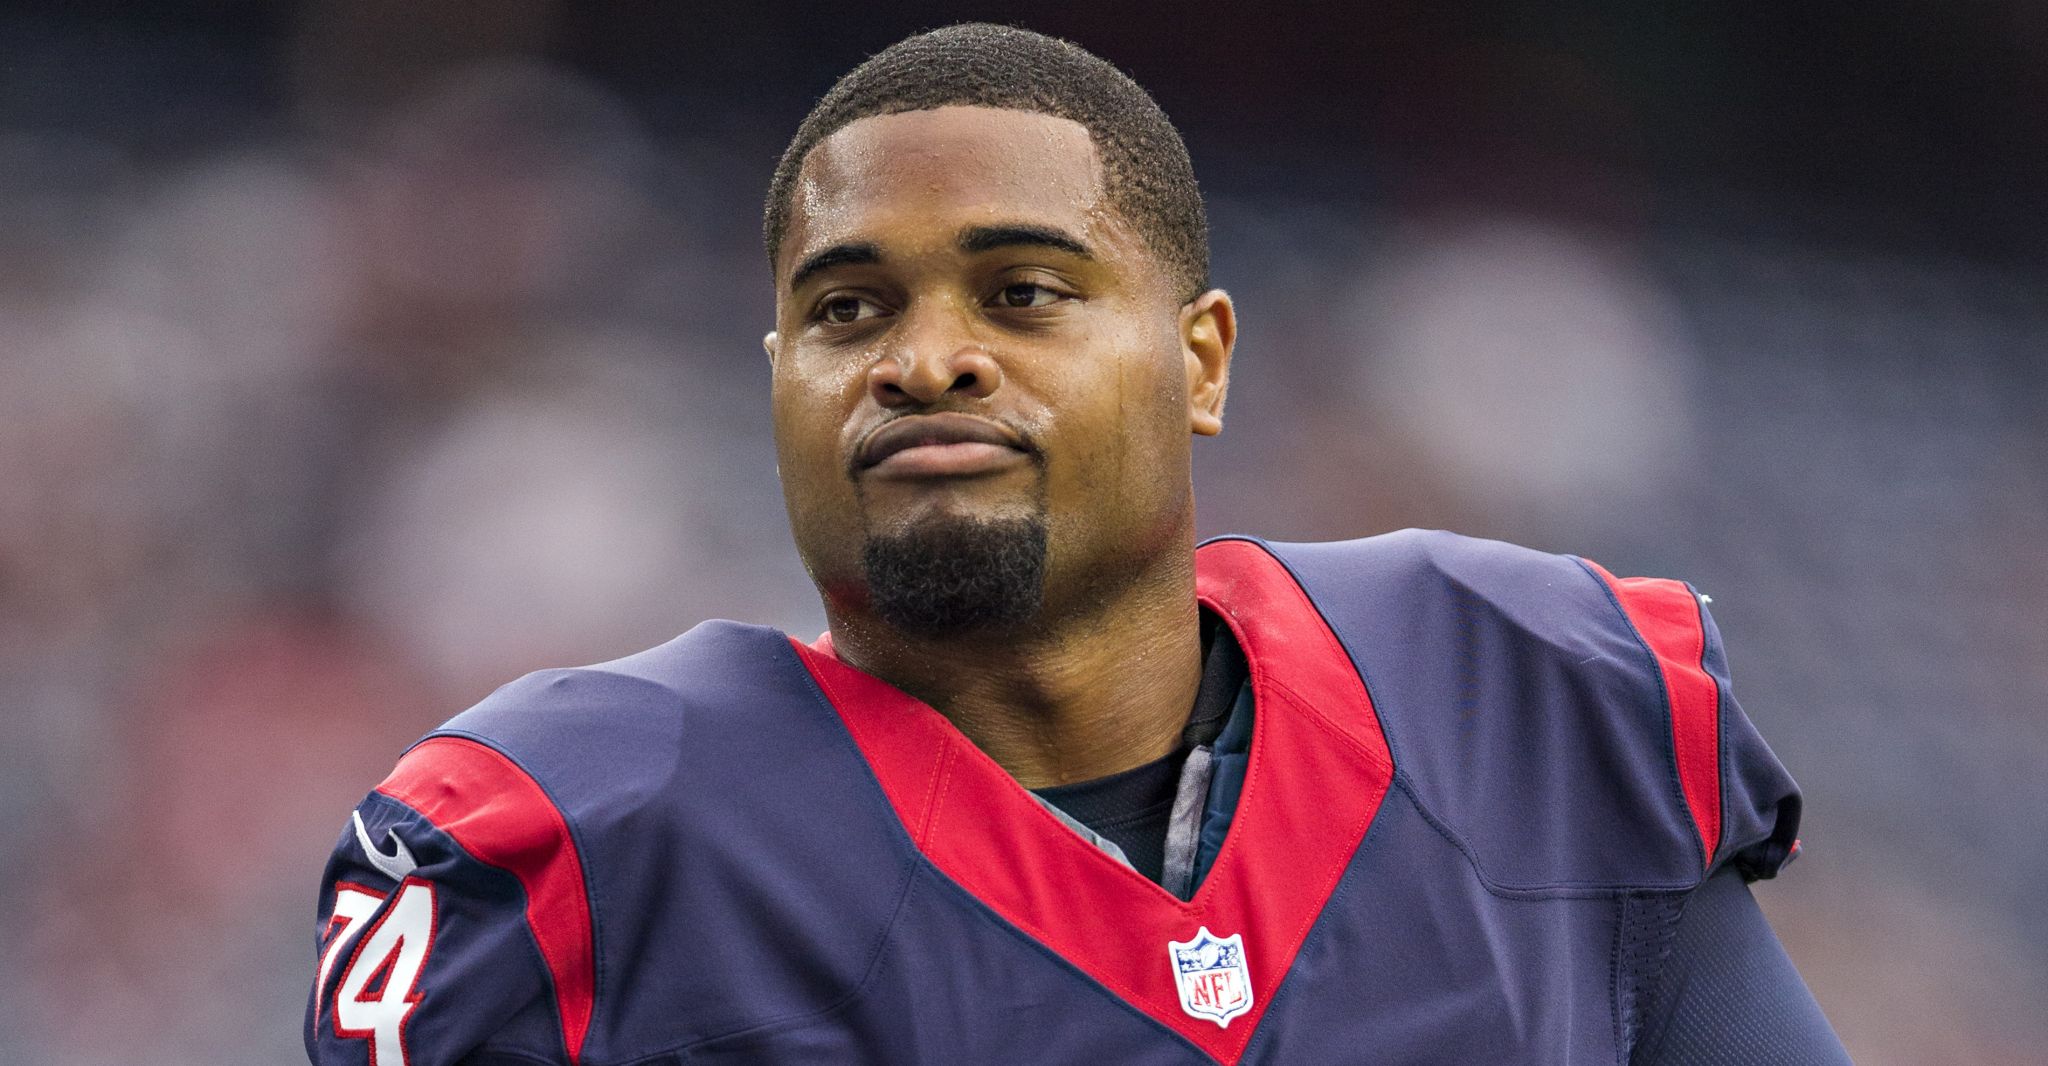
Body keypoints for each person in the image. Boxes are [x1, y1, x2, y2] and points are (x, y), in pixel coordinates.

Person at [307, 23, 1850, 1065]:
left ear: (1202, 361)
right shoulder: (590, 840)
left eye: (1023, 292)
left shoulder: (1524, 696)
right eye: (848, 310)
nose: (925, 359)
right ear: (779, 387)